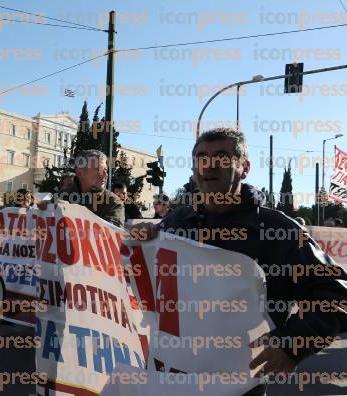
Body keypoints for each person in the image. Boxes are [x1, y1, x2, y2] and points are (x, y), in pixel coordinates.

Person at [131, 128, 347, 396]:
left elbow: (336, 294)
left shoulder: (278, 230)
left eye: (221, 156)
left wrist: (291, 345)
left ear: (244, 168)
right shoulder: (174, 224)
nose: (208, 165)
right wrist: (141, 243)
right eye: (201, 158)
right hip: (170, 379)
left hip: (239, 386)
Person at [55, 150, 124, 228]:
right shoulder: (61, 197)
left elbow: (111, 234)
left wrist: (72, 212)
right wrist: (42, 209)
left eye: (105, 170)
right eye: (99, 170)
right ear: (80, 173)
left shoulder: (113, 202)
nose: (105, 175)